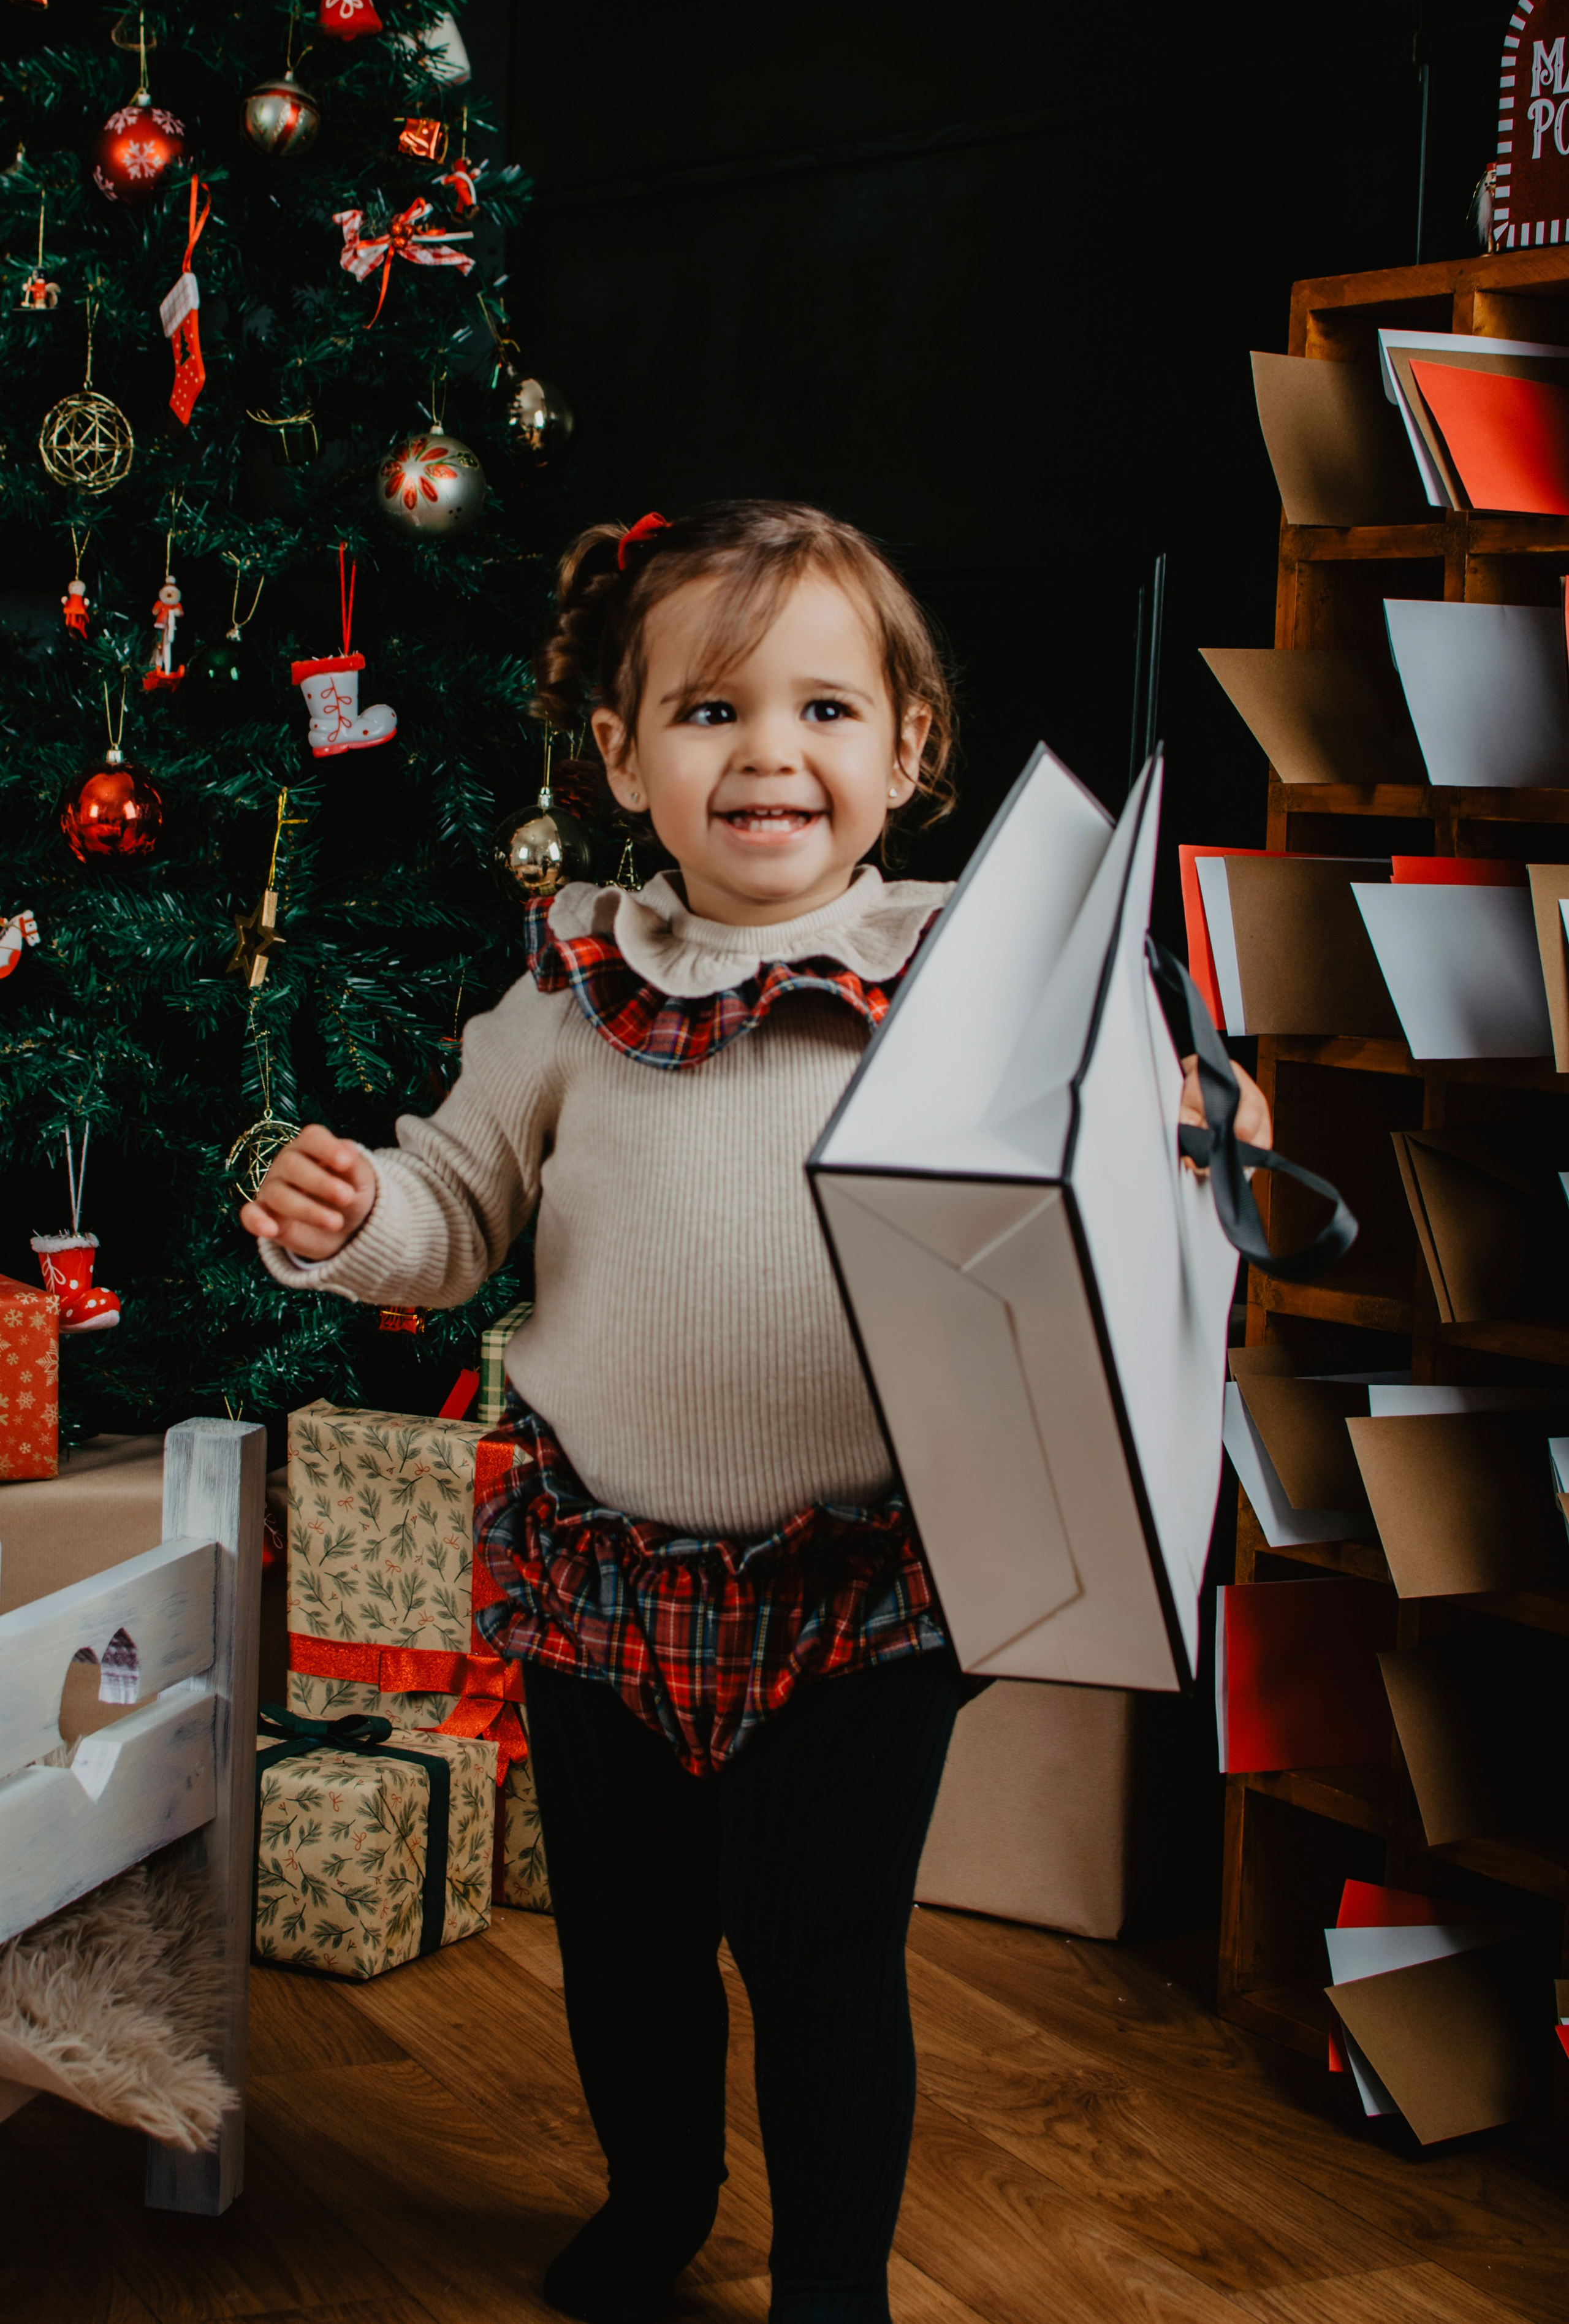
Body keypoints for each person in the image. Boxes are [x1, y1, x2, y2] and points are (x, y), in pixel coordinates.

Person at [243, 500, 1269, 2324]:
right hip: (602, 1561)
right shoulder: (570, 986)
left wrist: (1208, 1121)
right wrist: (358, 1219)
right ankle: (659, 2193)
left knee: (817, 1940)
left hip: (866, 1571)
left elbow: (1127, 1146)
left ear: (910, 751)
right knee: (630, 1944)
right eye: (711, 713)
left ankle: (828, 2275)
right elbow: (456, 1205)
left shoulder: (983, 970)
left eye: (824, 711)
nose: (770, 753)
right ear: (623, 756)